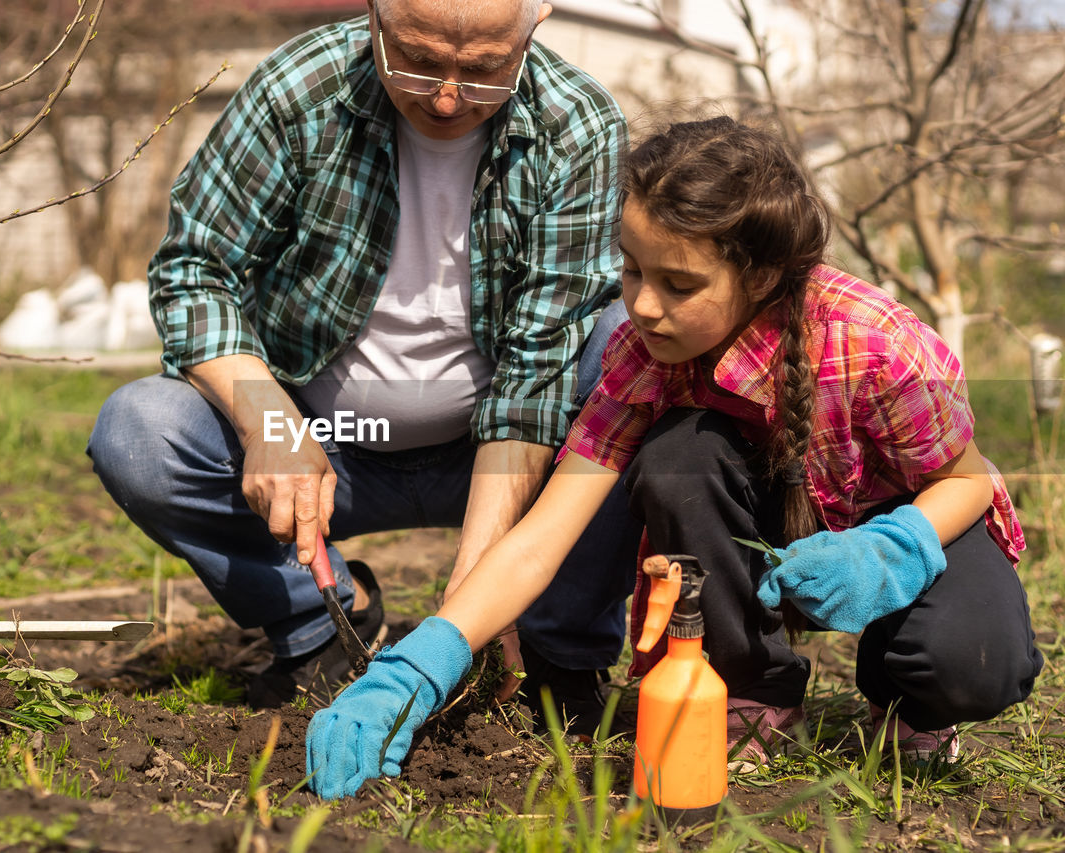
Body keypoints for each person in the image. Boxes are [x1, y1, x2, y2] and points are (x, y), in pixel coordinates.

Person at [305, 116, 1044, 799]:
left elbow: (965, 480)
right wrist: (424, 660)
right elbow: (539, 540)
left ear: (758, 276)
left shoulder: (875, 341)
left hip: (900, 519)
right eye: (631, 271)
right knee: (677, 456)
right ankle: (750, 690)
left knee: (973, 662)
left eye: (678, 283)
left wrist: (888, 550)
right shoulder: (645, 355)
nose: (643, 305)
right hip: (763, 523)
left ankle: (906, 697)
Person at [87, 0, 640, 712]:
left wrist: (472, 602)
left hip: (497, 450)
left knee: (627, 347)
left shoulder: (579, 124)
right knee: (140, 432)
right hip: (331, 444)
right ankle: (321, 625)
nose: (445, 96)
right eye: (417, 59)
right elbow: (196, 271)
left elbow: (539, 370)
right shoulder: (299, 91)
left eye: (483, 71)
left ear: (536, 23)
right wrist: (270, 425)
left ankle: (555, 649)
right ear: (376, 13)